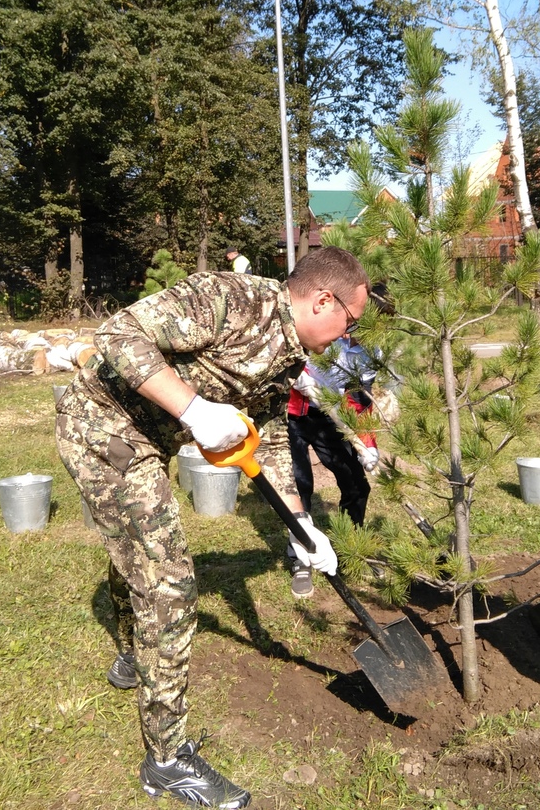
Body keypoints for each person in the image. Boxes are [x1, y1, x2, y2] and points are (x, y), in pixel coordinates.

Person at [55, 246, 368, 809]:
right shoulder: (232, 299)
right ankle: (167, 764)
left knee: (138, 550)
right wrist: (195, 409)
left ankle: (133, 651)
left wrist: (303, 526)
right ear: (324, 300)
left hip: (151, 437)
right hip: (104, 428)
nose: (347, 338)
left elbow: (269, 438)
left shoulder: (288, 355)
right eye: (350, 323)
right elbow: (118, 334)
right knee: (169, 581)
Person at [285, 332, 384, 598]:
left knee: (356, 482)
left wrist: (368, 443)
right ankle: (301, 558)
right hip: (291, 416)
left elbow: (359, 402)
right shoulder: (325, 333)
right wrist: (298, 380)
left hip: (330, 417)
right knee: (298, 485)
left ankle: (353, 545)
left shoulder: (372, 353)